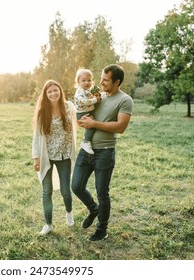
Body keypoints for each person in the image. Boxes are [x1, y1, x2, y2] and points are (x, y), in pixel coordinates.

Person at [71, 64, 133, 241]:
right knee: (76, 186)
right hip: (86, 148)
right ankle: (94, 209)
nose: (101, 82)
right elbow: (83, 113)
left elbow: (120, 127)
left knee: (102, 192)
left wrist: (94, 124)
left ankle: (101, 229)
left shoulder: (125, 100)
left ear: (117, 82)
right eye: (101, 78)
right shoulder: (99, 96)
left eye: (105, 80)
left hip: (105, 152)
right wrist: (83, 121)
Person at [32, 79, 78, 235]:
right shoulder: (42, 112)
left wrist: (93, 91)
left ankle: (69, 213)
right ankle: (48, 224)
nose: (53, 93)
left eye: (55, 90)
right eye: (49, 91)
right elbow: (36, 136)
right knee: (47, 191)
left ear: (60, 91)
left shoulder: (69, 107)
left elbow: (85, 109)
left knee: (66, 190)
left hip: (64, 155)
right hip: (47, 156)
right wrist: (36, 157)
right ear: (45, 94)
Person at [73, 68, 102, 155]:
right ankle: (86, 141)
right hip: (81, 113)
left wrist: (97, 92)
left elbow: (95, 91)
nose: (87, 82)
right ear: (78, 82)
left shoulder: (88, 89)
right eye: (83, 80)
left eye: (89, 80)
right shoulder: (79, 91)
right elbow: (85, 101)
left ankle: (89, 140)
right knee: (91, 126)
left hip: (88, 111)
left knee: (93, 124)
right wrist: (95, 100)